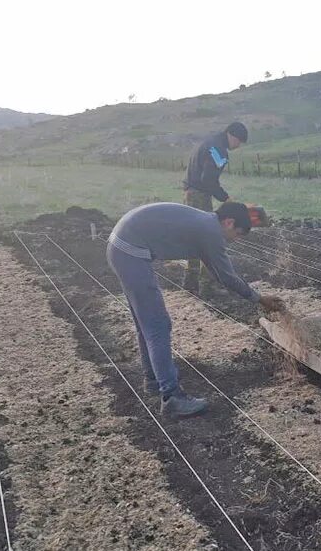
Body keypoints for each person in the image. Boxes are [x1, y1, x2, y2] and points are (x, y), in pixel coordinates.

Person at [107, 200, 284, 417]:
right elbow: (225, 276)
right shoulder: (211, 232)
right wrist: (258, 298)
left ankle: (153, 380)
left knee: (147, 322)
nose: (235, 240)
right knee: (158, 325)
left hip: (123, 246)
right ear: (228, 222)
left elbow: (218, 272)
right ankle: (171, 397)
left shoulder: (206, 223)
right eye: (237, 234)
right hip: (129, 251)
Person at [182, 121, 248, 291]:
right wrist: (225, 198)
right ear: (232, 135)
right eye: (239, 141)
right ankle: (208, 283)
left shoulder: (209, 142)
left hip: (190, 192)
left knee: (193, 236)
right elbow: (209, 180)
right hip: (199, 196)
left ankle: (190, 281)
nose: (238, 146)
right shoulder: (219, 151)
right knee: (208, 236)